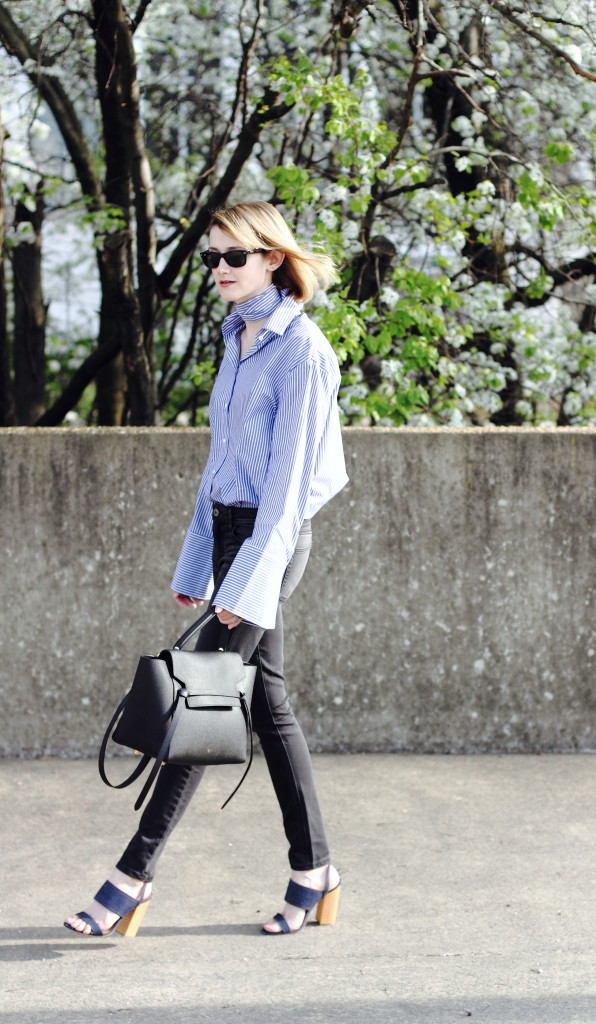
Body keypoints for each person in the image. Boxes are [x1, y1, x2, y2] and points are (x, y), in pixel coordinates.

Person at [64, 201, 348, 937]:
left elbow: (286, 494)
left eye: (234, 256)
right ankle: (314, 870)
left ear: (273, 260)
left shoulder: (302, 353)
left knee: (201, 702)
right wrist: (199, 559)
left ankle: (131, 877)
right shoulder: (238, 339)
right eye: (211, 258)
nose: (219, 269)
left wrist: (247, 581)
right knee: (268, 707)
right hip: (228, 537)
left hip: (270, 543)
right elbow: (217, 468)